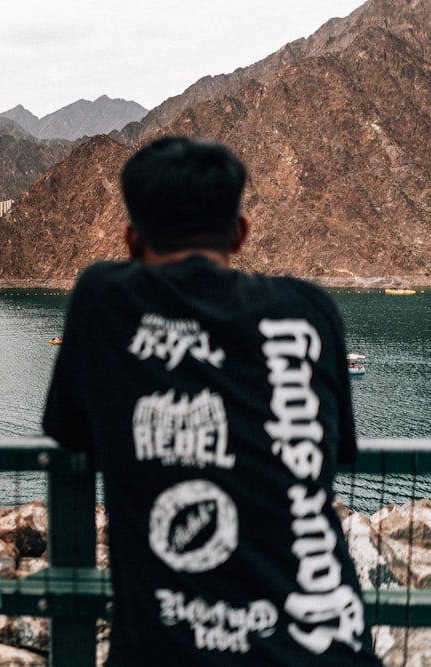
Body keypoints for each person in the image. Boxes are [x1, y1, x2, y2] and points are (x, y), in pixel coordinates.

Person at [43, 137, 381, 665]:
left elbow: (69, 429)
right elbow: (328, 457)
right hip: (327, 648)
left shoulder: (103, 298)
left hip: (167, 650)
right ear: (241, 233)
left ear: (130, 239)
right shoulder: (309, 309)